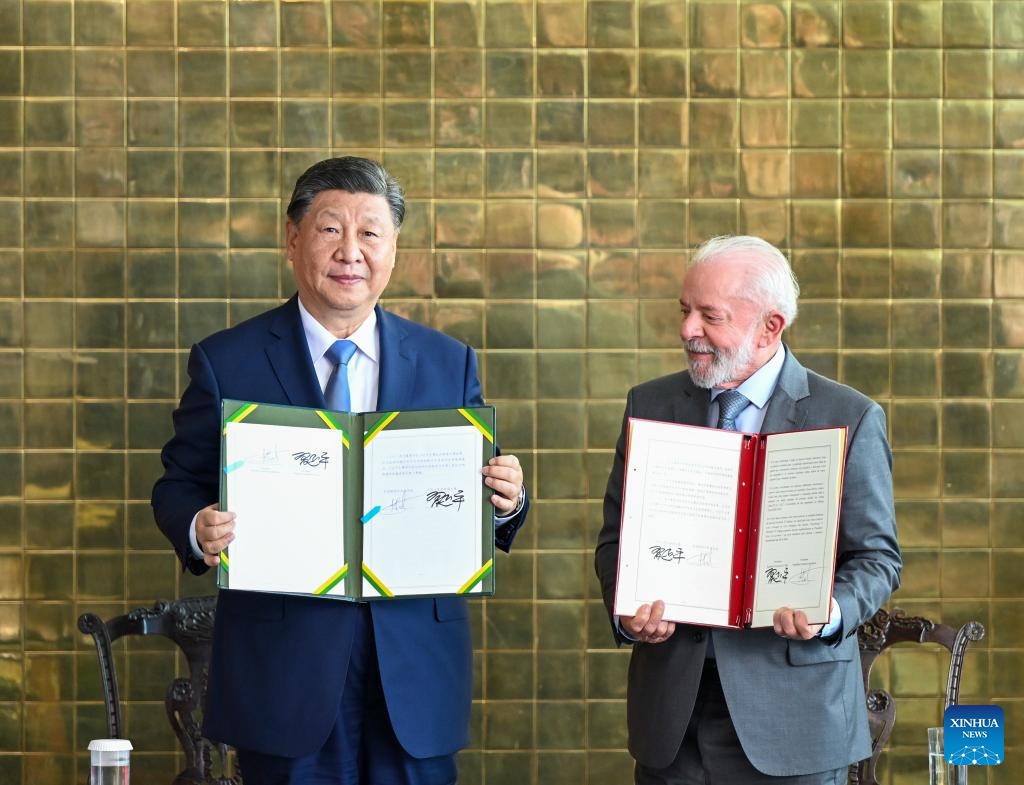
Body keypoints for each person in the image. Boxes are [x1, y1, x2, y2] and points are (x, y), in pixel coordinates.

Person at [152, 156, 529, 785]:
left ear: (393, 249)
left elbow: (476, 496)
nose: (351, 251)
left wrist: (508, 500)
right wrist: (197, 527)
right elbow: (177, 484)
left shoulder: (447, 361)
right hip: (284, 671)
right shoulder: (228, 361)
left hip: (413, 668)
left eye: (371, 233)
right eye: (331, 230)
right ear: (293, 238)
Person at [595, 235, 901, 785]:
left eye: (710, 316)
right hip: (673, 717)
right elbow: (615, 541)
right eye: (685, 311)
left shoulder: (848, 416)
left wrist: (827, 611)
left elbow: (877, 558)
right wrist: (628, 610)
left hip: (795, 718)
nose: (688, 330)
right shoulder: (651, 405)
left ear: (770, 327)